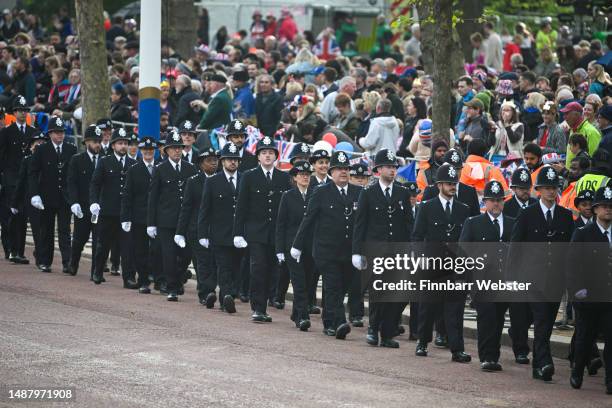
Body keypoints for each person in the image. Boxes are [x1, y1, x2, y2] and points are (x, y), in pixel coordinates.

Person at [509, 166, 574, 382]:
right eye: (545, 188)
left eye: (553, 188)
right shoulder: (527, 214)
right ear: (538, 190)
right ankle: (546, 362)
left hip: (555, 279)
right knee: (541, 320)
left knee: (546, 321)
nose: (549, 192)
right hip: (532, 278)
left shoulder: (565, 217)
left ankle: (539, 364)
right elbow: (515, 246)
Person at [291, 151, 362, 340]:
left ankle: (328, 321)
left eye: (346, 169)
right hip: (326, 251)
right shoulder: (321, 192)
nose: (343, 172)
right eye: (339, 169)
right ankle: (339, 322)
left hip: (349, 252)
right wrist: (297, 245)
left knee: (342, 287)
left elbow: (363, 223)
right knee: (333, 286)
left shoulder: (358, 192)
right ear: (332, 172)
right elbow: (308, 219)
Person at [353, 149, 414, 348]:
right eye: (388, 167)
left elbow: (408, 224)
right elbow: (360, 224)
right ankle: (373, 329)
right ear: (378, 169)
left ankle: (387, 333)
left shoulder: (402, 192)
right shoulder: (368, 192)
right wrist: (357, 251)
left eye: (394, 167)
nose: (392, 170)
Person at [413, 163, 472, 363]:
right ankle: (422, 342)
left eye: (454, 182)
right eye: (448, 183)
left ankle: (457, 349)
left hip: (455, 268)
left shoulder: (463, 209)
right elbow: (417, 236)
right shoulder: (427, 207)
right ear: (439, 185)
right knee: (427, 307)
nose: (452, 186)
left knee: (455, 310)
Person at [233, 136, 291, 322]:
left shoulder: (284, 177)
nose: (267, 156)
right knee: (258, 268)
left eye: (271, 153)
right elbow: (241, 207)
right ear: (258, 157)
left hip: (276, 233)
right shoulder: (249, 176)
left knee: (274, 271)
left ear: (276, 156)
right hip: (256, 232)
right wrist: (238, 233)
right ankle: (258, 308)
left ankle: (266, 304)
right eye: (264, 152)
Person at [460, 180, 515, 371]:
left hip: (504, 281)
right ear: (485, 202)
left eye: (499, 200)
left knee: (498, 319)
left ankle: (494, 354)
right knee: (487, 317)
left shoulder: (511, 223)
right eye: (492, 200)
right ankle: (487, 357)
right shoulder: (473, 223)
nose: (496, 204)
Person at [567, 185, 612, 395]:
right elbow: (573, 265)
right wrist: (577, 290)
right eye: (603, 206)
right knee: (585, 338)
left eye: (611, 206)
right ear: (595, 209)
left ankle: (610, 380)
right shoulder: (583, 233)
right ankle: (577, 371)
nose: (608, 210)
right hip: (589, 297)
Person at [147, 130, 197, 301]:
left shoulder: (191, 169)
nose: (177, 151)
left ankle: (179, 278)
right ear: (166, 150)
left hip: (186, 221)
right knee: (168, 254)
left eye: (179, 148)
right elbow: (153, 198)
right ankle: (172, 287)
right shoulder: (160, 169)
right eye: (174, 148)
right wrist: (151, 223)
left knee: (185, 255)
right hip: (166, 220)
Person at [89, 127, 137, 287]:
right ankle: (97, 271)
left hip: (126, 213)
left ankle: (128, 278)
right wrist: (94, 202)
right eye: (120, 143)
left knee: (128, 247)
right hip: (108, 211)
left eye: (125, 143)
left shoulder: (133, 163)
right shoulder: (104, 161)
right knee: (103, 244)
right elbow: (95, 184)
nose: (123, 146)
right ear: (113, 145)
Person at [28, 116, 76, 273]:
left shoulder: (71, 149)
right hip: (46, 196)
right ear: (49, 133)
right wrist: (35, 194)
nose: (60, 135)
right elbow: (33, 172)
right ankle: (44, 261)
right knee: (46, 230)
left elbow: (73, 175)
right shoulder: (41, 150)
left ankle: (67, 262)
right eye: (56, 132)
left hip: (65, 197)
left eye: (61, 132)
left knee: (65, 230)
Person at [198, 142, 242, 310]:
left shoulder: (244, 178)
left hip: (240, 233)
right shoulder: (213, 181)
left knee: (236, 267)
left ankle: (228, 293)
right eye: (229, 159)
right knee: (224, 266)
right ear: (223, 161)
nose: (233, 162)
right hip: (219, 233)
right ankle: (226, 297)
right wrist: (202, 234)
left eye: (235, 159)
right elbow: (205, 209)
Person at [175, 147, 218, 305]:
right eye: (209, 160)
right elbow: (186, 208)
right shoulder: (193, 182)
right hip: (196, 230)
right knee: (202, 263)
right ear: (201, 163)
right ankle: (206, 293)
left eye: (215, 160)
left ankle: (210, 289)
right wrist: (180, 232)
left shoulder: (221, 180)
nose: (213, 163)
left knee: (214, 263)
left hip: (216, 230)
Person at [276, 160, 315, 331]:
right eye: (302, 174)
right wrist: (279, 249)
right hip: (292, 247)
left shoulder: (315, 194)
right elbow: (281, 224)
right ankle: (303, 317)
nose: (305, 177)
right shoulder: (288, 196)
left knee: (308, 282)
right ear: (295, 177)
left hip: (311, 246)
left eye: (308, 174)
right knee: (299, 283)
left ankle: (296, 313)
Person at [0, 96, 37, 264]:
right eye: (20, 111)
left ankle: (19, 251)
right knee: (10, 215)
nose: (23, 113)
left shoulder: (32, 132)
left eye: (25, 111)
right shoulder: (6, 132)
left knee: (22, 217)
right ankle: (10, 249)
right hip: (11, 179)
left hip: (26, 181)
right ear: (14, 113)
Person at [121, 136, 157, 293]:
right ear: (141, 151)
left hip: (157, 217)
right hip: (139, 217)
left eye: (151, 150)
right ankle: (143, 281)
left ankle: (158, 279)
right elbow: (127, 196)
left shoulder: (161, 168)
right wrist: (126, 218)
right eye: (145, 150)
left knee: (158, 250)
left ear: (154, 151)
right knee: (140, 250)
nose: (148, 152)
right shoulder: (134, 170)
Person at [67, 124, 101, 279]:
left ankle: (96, 271)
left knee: (99, 241)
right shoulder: (77, 159)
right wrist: (74, 202)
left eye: (99, 141)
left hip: (100, 208)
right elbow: (72, 182)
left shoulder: (105, 160)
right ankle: (73, 263)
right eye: (94, 141)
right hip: (82, 206)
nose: (97, 144)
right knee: (80, 239)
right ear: (87, 142)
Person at [10, 131, 45, 267]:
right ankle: (39, 258)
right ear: (31, 146)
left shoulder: (49, 159)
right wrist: (15, 202)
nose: (40, 146)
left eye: (43, 143)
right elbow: (20, 182)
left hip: (46, 198)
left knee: (44, 229)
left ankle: (41, 253)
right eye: (37, 143)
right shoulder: (27, 160)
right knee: (35, 228)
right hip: (29, 199)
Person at [422, 148, 480, 217]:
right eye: (452, 169)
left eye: (458, 169)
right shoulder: (431, 191)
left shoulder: (470, 191)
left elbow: (475, 219)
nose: (455, 173)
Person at [561, 102, 601, 168]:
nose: (564, 117)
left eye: (567, 113)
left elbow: (593, 160)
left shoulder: (591, 132)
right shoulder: (572, 129)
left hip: (582, 176)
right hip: (570, 175)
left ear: (576, 115)